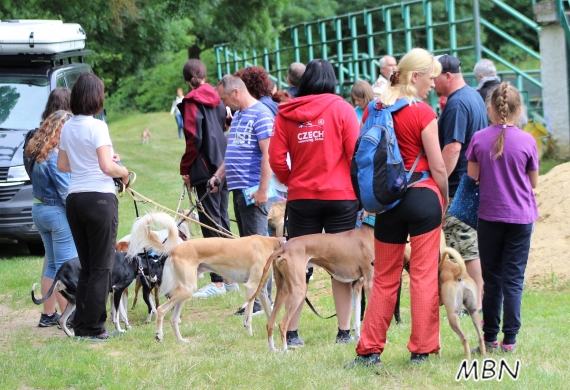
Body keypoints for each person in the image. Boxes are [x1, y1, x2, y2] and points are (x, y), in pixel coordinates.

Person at [346, 48, 448, 367]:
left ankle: (369, 350)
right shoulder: (422, 112)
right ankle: (421, 349)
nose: (432, 85)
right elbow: (439, 167)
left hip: (387, 203)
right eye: (429, 78)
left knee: (385, 278)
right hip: (423, 198)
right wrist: (443, 202)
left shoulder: (376, 107)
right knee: (422, 275)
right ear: (415, 77)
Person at [269, 59, 361, 347]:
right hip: (341, 196)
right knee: (341, 266)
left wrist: (291, 178)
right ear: (332, 80)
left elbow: (275, 158)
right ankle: (344, 332)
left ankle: (292, 333)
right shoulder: (343, 108)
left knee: (298, 263)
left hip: (301, 197)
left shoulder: (286, 112)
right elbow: (354, 153)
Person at [466, 82, 538, 353]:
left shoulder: (479, 138)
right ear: (518, 110)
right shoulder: (528, 140)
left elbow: (472, 177)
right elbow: (534, 182)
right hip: (521, 217)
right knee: (514, 279)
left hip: (489, 216)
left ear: (490, 109)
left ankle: (489, 338)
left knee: (492, 278)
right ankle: (510, 339)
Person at [57, 73, 129, 340]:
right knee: (101, 267)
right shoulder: (97, 126)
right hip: (99, 198)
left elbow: (63, 166)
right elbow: (106, 167)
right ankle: (95, 327)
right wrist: (124, 172)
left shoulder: (67, 127)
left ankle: (83, 325)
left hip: (75, 198)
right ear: (96, 98)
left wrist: (91, 160)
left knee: (88, 267)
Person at [210, 74, 274, 315]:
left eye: (225, 98)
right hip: (238, 190)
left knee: (259, 250)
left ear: (236, 92)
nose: (225, 104)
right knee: (248, 249)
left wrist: (263, 190)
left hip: (253, 191)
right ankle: (255, 299)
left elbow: (268, 154)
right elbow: (232, 154)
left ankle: (261, 301)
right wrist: (218, 176)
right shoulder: (237, 116)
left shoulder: (261, 115)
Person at [178, 59, 235, 299]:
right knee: (221, 218)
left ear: (186, 79)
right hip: (223, 163)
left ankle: (219, 281)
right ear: (205, 74)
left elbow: (194, 138)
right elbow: (224, 125)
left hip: (205, 167)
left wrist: (185, 166)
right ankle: (231, 276)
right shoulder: (217, 96)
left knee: (211, 223)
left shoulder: (192, 101)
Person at [434, 54, 488, 312]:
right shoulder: (473, 96)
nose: (432, 83)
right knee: (467, 245)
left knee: (465, 248)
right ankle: (473, 301)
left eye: (435, 77)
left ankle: (477, 304)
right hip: (472, 182)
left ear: (448, 76)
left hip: (457, 187)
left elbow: (453, 148)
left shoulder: (456, 104)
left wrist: (439, 182)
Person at [26, 108, 77, 328]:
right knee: (67, 266)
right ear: (60, 130)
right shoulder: (55, 154)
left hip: (39, 211)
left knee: (52, 265)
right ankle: (69, 316)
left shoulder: (39, 152)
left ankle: (48, 315)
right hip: (56, 213)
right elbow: (65, 192)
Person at [474, 59, 528, 129]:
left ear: (482, 77)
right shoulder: (509, 91)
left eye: (477, 78)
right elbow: (523, 121)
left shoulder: (477, 95)